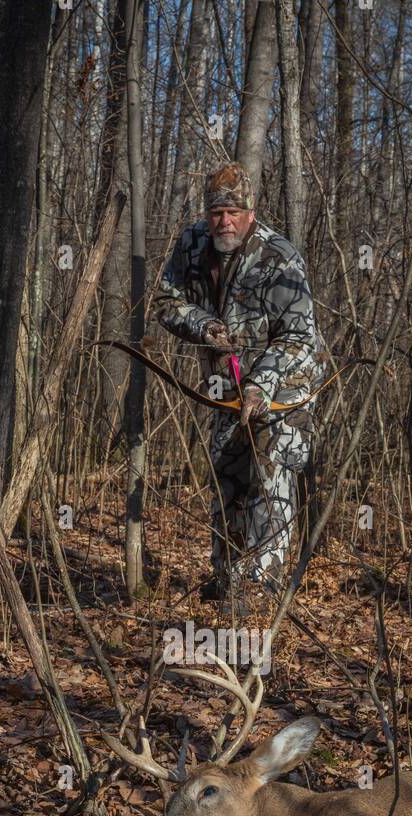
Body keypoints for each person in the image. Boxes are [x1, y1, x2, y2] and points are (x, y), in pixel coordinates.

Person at [154, 161, 324, 604]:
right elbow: (166, 302)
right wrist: (204, 326)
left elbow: (300, 335)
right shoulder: (192, 244)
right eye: (216, 212)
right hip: (225, 387)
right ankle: (228, 575)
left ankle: (260, 581)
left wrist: (261, 386)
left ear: (250, 211)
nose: (223, 221)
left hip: (285, 384)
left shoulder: (279, 257)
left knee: (271, 469)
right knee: (227, 470)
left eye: (233, 211)